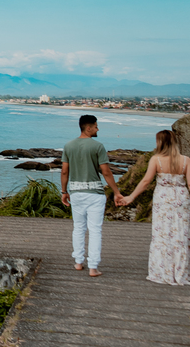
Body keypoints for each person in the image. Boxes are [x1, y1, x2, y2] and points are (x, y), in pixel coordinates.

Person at [120, 129, 190, 285]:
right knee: (181, 235)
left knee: (163, 235)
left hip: (163, 201)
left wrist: (131, 197)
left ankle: (163, 270)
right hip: (181, 199)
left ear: (160, 143)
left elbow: (146, 182)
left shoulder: (156, 160)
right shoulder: (186, 160)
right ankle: (182, 270)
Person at [60, 114, 123, 277]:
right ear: (88, 128)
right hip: (94, 193)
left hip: (76, 193)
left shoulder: (68, 146)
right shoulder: (98, 146)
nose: (98, 129)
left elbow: (65, 171)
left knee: (78, 228)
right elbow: (106, 172)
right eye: (96, 126)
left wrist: (64, 191)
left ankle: (79, 262)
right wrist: (116, 192)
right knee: (95, 230)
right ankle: (93, 267)